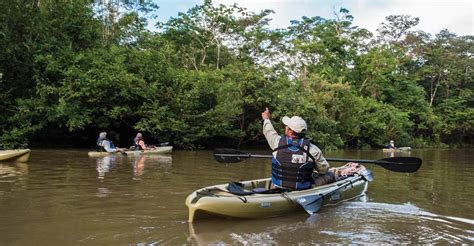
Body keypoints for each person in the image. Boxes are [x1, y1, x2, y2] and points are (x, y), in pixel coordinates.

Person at [261, 108, 331, 190]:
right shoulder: (313, 150)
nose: (285, 127)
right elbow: (324, 170)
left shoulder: (277, 143)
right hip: (302, 189)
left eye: (286, 127)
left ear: (290, 131)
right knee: (330, 175)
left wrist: (266, 119)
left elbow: (269, 131)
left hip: (278, 186)